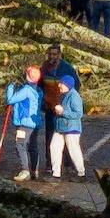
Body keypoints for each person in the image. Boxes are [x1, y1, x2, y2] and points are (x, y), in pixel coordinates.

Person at [36, 43, 79, 176]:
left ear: (59, 55)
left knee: (67, 136)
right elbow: (39, 85)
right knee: (50, 136)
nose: (52, 57)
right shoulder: (43, 68)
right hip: (50, 108)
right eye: (50, 54)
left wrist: (68, 102)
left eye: (55, 54)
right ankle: (50, 163)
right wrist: (43, 101)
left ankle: (68, 163)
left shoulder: (67, 69)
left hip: (64, 109)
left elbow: (76, 85)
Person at [4, 64, 44, 180]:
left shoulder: (26, 90)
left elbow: (11, 100)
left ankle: (25, 170)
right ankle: (34, 170)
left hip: (24, 123)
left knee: (20, 144)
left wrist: (10, 86)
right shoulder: (39, 90)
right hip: (34, 123)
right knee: (33, 146)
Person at [49, 77, 86, 179]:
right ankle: (56, 173)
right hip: (60, 127)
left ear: (68, 85)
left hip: (71, 129)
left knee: (73, 150)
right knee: (54, 147)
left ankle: (81, 172)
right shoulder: (63, 95)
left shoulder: (74, 96)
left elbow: (78, 114)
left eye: (62, 84)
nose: (59, 85)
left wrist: (62, 112)